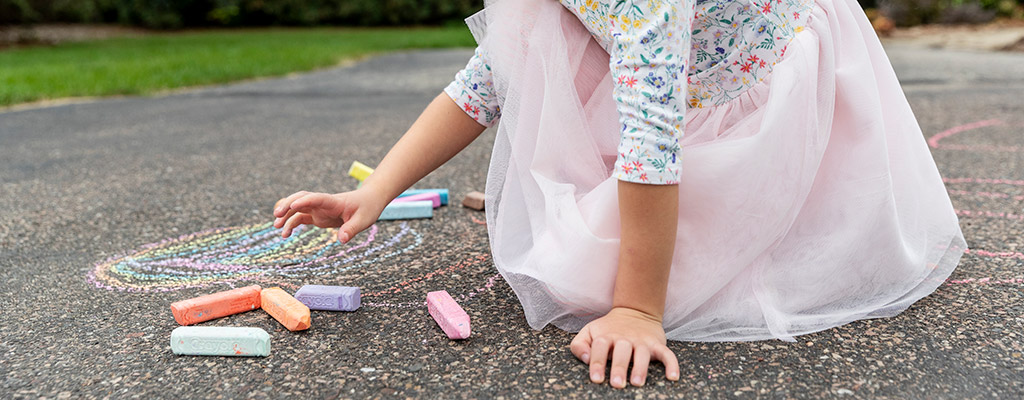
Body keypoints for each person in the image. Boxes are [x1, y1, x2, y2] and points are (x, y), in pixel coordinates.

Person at [271, 0, 966, 389]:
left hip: (759, 73)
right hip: (674, 72)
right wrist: (375, 191)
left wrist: (639, 309)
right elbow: (490, 77)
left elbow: (652, 135)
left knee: (668, 263)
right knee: (545, 40)